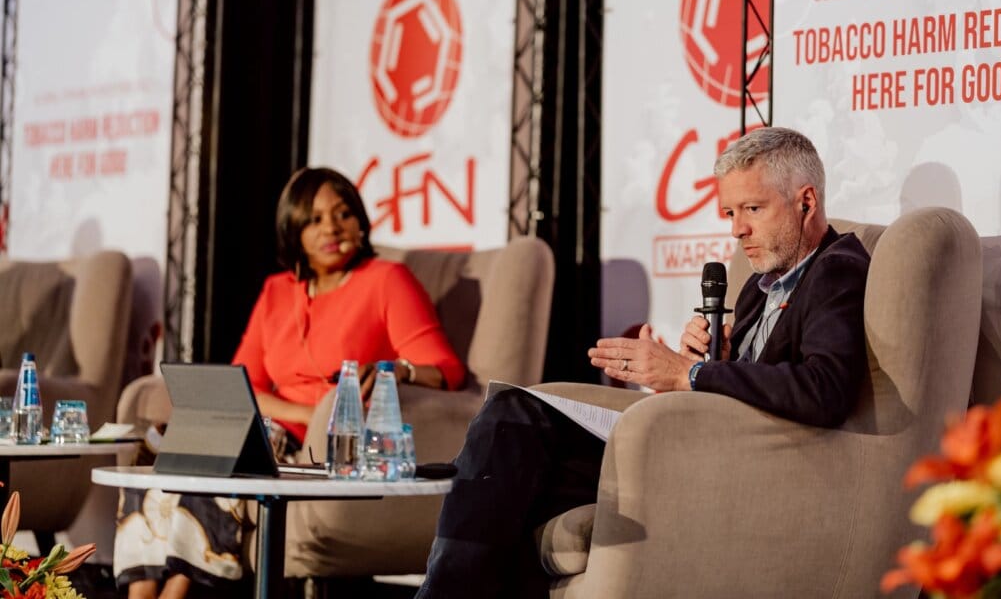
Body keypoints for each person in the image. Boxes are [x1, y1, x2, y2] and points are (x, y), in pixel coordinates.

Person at [416, 127, 870, 598]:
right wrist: (712, 359)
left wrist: (690, 374)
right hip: (696, 443)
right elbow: (758, 374)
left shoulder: (835, 269)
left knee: (516, 421)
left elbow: (824, 389)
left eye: (752, 209)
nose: (737, 229)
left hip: (738, 466)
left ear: (806, 202)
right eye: (730, 213)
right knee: (514, 452)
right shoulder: (763, 284)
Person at [115, 167, 466, 599]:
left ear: (360, 221)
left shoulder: (386, 281)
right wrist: (302, 411)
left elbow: (445, 370)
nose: (332, 227)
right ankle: (140, 593)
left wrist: (400, 370)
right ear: (293, 230)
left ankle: (178, 593)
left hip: (321, 440)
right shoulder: (277, 291)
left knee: (217, 456)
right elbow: (242, 387)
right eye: (314, 219)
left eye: (343, 214)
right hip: (272, 425)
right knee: (159, 452)